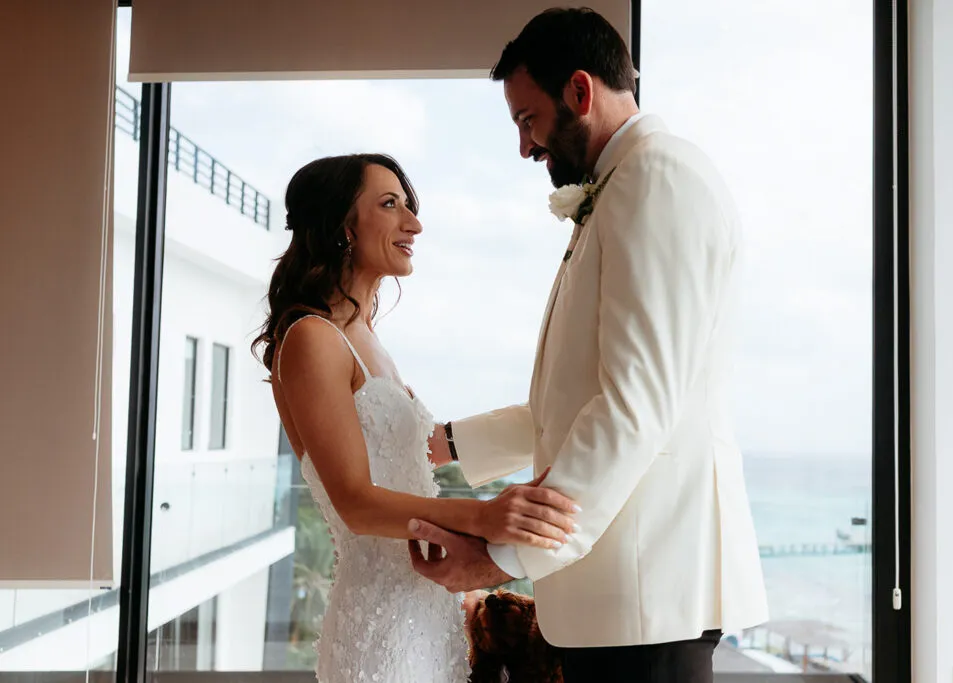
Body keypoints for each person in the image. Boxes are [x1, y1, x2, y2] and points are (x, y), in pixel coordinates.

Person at [407, 9, 770, 683]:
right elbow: (573, 403)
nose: (525, 146)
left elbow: (634, 406)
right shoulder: (626, 185)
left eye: (527, 119)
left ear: (579, 91)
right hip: (625, 594)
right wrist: (443, 444)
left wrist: (503, 557)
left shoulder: (657, 179)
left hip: (648, 590)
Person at [253, 153, 579, 683]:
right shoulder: (312, 338)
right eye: (390, 205)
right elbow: (356, 503)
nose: (415, 223)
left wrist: (556, 425)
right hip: (379, 630)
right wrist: (483, 515)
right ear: (342, 225)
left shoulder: (367, 341)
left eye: (410, 206)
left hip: (429, 614)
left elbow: (415, 453)